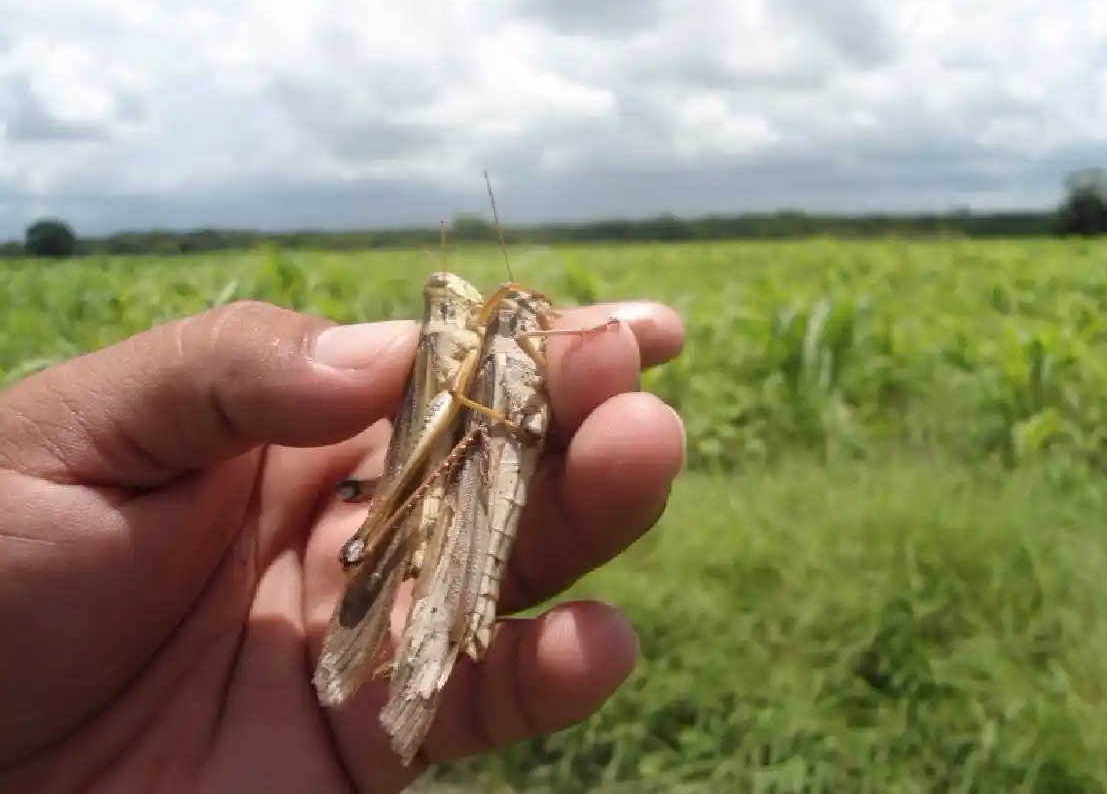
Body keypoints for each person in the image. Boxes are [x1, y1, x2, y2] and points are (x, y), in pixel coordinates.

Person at [0, 297, 686, 794]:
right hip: (453, 454)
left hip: (470, 452)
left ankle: (428, 633)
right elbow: (460, 410)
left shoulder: (499, 352)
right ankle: (411, 627)